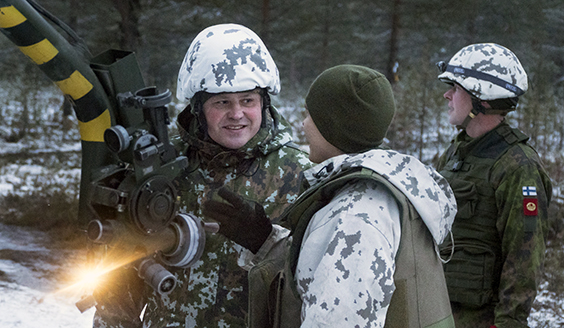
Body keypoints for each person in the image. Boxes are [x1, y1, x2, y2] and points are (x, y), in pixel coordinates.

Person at [202, 64, 458, 327]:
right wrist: (265, 239)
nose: (303, 124)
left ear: (333, 126)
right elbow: (323, 271)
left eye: (310, 116)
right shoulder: (382, 191)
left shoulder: (354, 217)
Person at [93, 23, 312, 328]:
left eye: (248, 100)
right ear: (198, 107)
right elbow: (120, 283)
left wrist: (267, 242)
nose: (236, 114)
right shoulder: (162, 170)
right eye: (222, 102)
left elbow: (317, 286)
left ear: (264, 102)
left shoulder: (301, 176)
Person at [435, 43, 553, 328]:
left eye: (456, 88)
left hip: (481, 320)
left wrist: (508, 323)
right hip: (441, 311)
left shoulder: (518, 166)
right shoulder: (456, 152)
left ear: (482, 100)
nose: (447, 95)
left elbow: (524, 257)